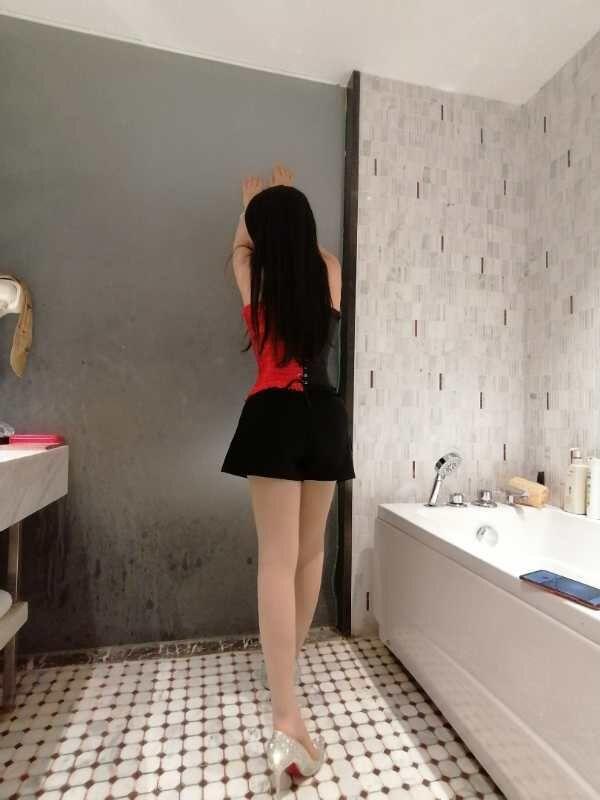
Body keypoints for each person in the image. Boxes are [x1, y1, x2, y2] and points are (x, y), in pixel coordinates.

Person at [221, 163, 355, 797]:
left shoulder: (258, 274)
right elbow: (314, 250)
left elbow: (239, 250)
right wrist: (288, 208)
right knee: (309, 554)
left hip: (273, 414)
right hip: (324, 416)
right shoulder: (328, 270)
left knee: (276, 561)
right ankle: (287, 667)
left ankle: (284, 719)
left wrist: (249, 207)